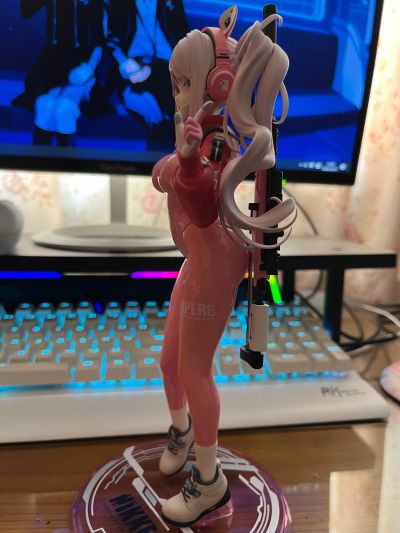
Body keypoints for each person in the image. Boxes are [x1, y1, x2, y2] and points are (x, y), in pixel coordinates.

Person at [151, 6, 296, 527]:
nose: (178, 93)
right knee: (169, 363)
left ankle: (209, 483)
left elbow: (201, 208)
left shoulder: (215, 146)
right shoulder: (203, 133)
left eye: (184, 82)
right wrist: (175, 163)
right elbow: (167, 179)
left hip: (213, 262)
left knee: (194, 370)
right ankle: (181, 433)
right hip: (198, 259)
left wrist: (185, 163)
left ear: (217, 82)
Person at [13, 0, 107, 146]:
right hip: (50, 65)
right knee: (45, 106)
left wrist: (89, 67)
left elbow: (100, 41)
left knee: (64, 108)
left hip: (82, 64)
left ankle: (66, 158)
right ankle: (39, 158)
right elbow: (26, 12)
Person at [100, 0, 188, 149]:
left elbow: (183, 34)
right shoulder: (119, 4)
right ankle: (165, 137)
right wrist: (124, 62)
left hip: (168, 63)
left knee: (165, 88)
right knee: (140, 96)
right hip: (133, 62)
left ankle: (166, 137)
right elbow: (111, 39)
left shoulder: (171, 3)